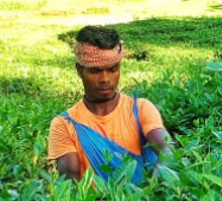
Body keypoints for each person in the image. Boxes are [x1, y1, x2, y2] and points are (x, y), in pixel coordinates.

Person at [48, 25, 171, 183]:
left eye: (112, 70)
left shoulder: (140, 109)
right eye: (95, 71)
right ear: (79, 70)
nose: (105, 79)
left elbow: (167, 148)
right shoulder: (64, 125)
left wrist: (153, 192)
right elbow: (70, 181)